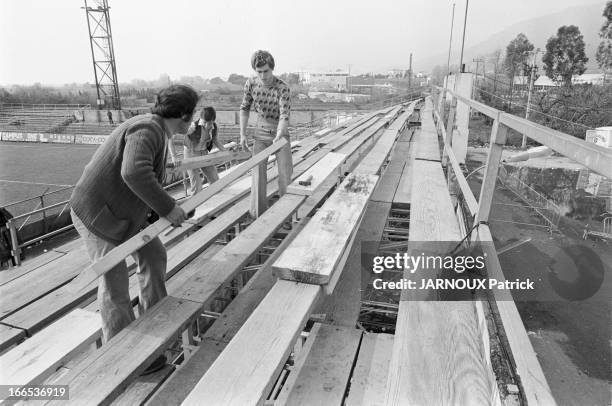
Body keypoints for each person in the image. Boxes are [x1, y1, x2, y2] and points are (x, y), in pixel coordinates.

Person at [70, 84, 197, 374]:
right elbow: (134, 172)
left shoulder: (156, 131)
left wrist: (157, 212)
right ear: (185, 115)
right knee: (115, 284)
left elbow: (141, 178)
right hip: (96, 215)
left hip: (121, 214)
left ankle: (153, 327)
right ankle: (124, 357)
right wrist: (168, 208)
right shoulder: (148, 129)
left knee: (153, 256)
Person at [239, 50, 293, 213]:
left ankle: (285, 214)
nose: (263, 75)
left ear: (272, 68)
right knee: (258, 174)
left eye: (266, 71)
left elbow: (285, 115)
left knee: (285, 174)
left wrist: (279, 134)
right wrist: (242, 134)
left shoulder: (282, 87)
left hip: (279, 131)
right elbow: (244, 108)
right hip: (261, 130)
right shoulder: (251, 84)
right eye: (259, 72)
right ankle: (258, 214)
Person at [183, 106, 225, 195]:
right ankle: (194, 205)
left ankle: (215, 201)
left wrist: (225, 152)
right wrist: (174, 156)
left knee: (215, 181)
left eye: (209, 122)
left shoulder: (215, 127)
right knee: (197, 186)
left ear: (213, 120)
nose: (207, 125)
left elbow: (215, 140)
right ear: (201, 119)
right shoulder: (193, 126)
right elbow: (179, 133)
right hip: (191, 154)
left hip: (204, 153)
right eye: (204, 122)